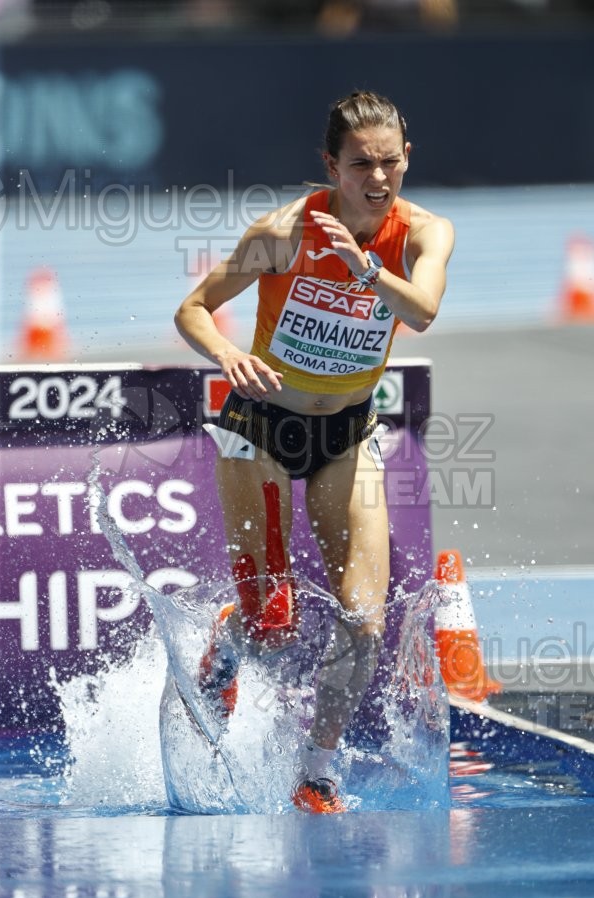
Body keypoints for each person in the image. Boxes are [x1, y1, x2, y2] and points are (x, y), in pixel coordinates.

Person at [175, 90, 454, 814]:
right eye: (361, 163)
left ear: (407, 159)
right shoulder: (281, 233)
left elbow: (421, 312)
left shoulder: (425, 232)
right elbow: (193, 309)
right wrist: (228, 353)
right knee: (274, 625)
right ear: (330, 164)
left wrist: (361, 267)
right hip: (260, 428)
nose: (379, 178)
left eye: (391, 162)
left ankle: (316, 776)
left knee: (364, 620)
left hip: (345, 437)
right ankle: (230, 638)